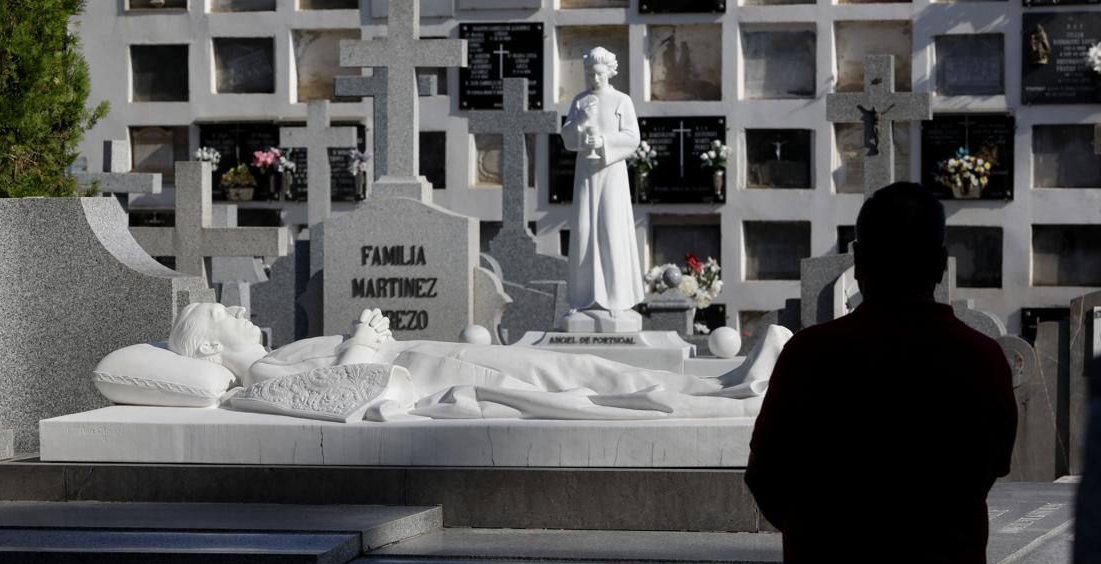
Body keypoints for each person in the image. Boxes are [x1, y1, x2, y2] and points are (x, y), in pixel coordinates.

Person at [745, 182, 1017, 564]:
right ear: (940, 264)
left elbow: (765, 477)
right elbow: (991, 467)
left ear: (859, 260)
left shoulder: (810, 356)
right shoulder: (980, 360)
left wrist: (824, 532)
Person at [165, 303, 792, 421]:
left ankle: (725, 384)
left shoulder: (277, 352)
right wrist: (362, 338)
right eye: (222, 314)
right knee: (576, 376)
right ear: (209, 348)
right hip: (442, 374)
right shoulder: (259, 377)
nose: (237, 312)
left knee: (581, 372)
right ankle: (727, 392)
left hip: (437, 356)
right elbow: (338, 390)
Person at [559, 47, 643, 329]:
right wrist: (581, 126)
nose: (592, 78)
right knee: (585, 231)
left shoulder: (622, 101)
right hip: (586, 175)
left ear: (609, 71)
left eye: (597, 73)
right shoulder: (580, 101)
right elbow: (568, 137)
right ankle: (582, 299)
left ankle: (617, 299)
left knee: (611, 229)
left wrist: (604, 143)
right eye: (588, 73)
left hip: (611, 173)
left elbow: (632, 138)